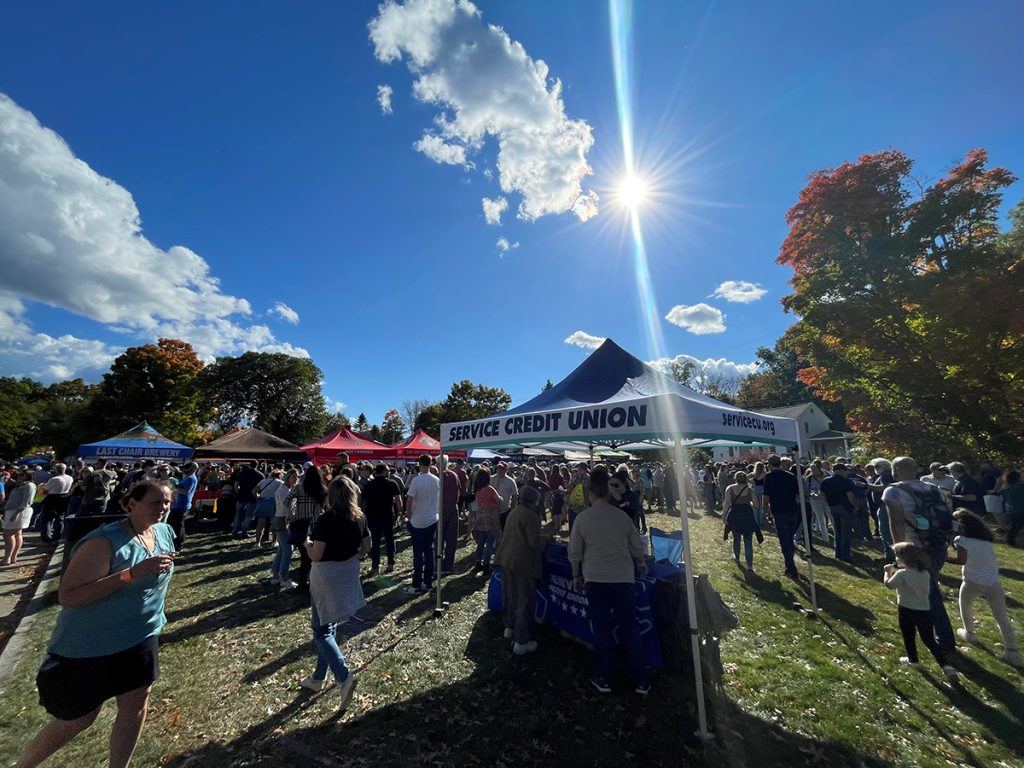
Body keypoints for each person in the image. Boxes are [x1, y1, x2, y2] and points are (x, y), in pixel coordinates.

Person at [16, 480, 176, 768]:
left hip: (141, 636)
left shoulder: (164, 532)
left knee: (135, 705)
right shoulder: (104, 542)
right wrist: (129, 574)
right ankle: (24, 765)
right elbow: (69, 596)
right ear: (131, 504)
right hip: (91, 644)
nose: (163, 508)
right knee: (78, 718)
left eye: (166, 502)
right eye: (155, 502)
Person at [568, 465, 650, 696]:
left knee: (602, 631)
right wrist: (641, 562)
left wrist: (576, 575)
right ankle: (641, 679)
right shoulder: (621, 517)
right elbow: (636, 545)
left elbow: (575, 551)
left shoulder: (583, 519)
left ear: (591, 494)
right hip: (623, 578)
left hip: (595, 579)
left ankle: (603, 676)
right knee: (630, 629)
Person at [300, 475, 368, 710]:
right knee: (329, 625)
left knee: (320, 631)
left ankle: (343, 675)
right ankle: (318, 678)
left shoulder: (326, 520)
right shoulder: (359, 518)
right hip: (347, 572)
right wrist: (355, 555)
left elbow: (316, 555)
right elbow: (366, 547)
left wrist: (307, 544)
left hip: (326, 576)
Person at [881, 456, 955, 654]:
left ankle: (944, 641)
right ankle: (935, 633)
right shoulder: (932, 488)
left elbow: (896, 523)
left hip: (914, 547)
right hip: (936, 545)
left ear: (895, 471)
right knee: (929, 585)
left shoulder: (893, 490)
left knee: (929, 592)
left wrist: (897, 550)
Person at [947, 510, 1020, 665]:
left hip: (972, 581)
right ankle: (1012, 652)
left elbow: (961, 560)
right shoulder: (985, 540)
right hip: (993, 581)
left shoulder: (962, 540)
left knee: (965, 606)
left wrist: (944, 557)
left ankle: (970, 633)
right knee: (1001, 617)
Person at [884, 542, 957, 681]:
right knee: (929, 639)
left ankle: (913, 660)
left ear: (903, 559)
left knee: (908, 635)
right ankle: (946, 666)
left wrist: (887, 572)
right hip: (924, 610)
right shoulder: (925, 573)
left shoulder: (902, 574)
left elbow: (889, 585)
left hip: (906, 610)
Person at [494, 485, 545, 654]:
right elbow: (534, 543)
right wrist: (546, 538)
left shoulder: (514, 511)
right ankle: (522, 641)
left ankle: (509, 627)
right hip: (522, 563)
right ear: (534, 501)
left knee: (510, 595)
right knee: (524, 600)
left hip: (506, 558)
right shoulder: (530, 516)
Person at [286, 465, 328, 592]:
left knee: (304, 557)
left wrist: (291, 515)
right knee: (316, 557)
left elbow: (286, 500)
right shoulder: (323, 489)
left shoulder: (300, 487)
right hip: (317, 526)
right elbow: (327, 507)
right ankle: (314, 583)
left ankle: (303, 583)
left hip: (301, 525)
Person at [404, 454, 439, 595]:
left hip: (418, 521)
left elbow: (410, 501)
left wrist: (409, 516)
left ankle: (416, 584)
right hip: (432, 519)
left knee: (418, 553)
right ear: (430, 464)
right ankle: (428, 582)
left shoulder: (416, 480)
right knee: (429, 550)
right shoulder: (437, 480)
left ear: (419, 463)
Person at [762, 455, 801, 579]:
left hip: (779, 510)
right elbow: (797, 493)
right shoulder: (790, 476)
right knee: (788, 537)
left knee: (785, 540)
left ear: (769, 464)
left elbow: (766, 495)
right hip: (793, 509)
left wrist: (765, 508)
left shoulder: (768, 477)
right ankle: (790, 563)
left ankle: (790, 567)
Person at [361, 464, 402, 575]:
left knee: (375, 541)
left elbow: (364, 503)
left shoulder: (368, 485)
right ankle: (391, 563)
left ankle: (375, 566)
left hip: (373, 516)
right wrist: (399, 513)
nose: (389, 472)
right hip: (388, 515)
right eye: (387, 470)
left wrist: (364, 515)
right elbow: (398, 500)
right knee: (389, 539)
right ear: (384, 471)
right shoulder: (391, 483)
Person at [820, 463, 859, 563]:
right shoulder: (846, 481)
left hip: (832, 506)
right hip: (845, 507)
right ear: (842, 471)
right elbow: (850, 495)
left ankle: (838, 552)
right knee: (846, 531)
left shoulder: (826, 480)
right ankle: (845, 554)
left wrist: (828, 504)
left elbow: (822, 494)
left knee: (837, 530)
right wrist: (855, 505)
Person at [722, 471, 759, 570]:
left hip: (735, 515)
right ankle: (750, 565)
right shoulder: (750, 490)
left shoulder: (730, 488)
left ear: (735, 478)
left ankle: (736, 557)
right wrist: (748, 503)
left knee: (736, 538)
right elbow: (756, 504)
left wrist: (723, 515)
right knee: (748, 540)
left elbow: (727, 503)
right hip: (747, 515)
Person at [471, 467, 502, 574]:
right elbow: (498, 500)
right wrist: (501, 498)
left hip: (480, 517)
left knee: (481, 542)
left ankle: (478, 562)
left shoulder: (477, 490)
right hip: (490, 517)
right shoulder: (490, 489)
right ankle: (486, 564)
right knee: (490, 542)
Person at [270, 470, 298, 586]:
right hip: (282, 519)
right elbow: (285, 505)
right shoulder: (284, 490)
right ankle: (284, 577)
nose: (295, 479)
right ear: (288, 477)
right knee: (288, 549)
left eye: (296, 477)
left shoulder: (286, 489)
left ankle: (276, 573)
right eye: (293, 477)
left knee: (282, 548)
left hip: (279, 518)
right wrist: (291, 516)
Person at [4, 470, 36, 565]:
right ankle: (12, 557)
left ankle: (8, 557)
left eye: (23, 475)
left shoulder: (29, 485)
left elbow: (27, 501)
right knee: (17, 534)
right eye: (20, 474)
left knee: (8, 534)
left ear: (28, 476)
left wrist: (16, 513)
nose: (20, 476)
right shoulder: (20, 485)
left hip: (19, 511)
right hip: (12, 510)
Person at [167, 462, 197, 550]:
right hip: (179, 505)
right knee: (179, 525)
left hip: (182, 505)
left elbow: (186, 492)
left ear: (193, 468)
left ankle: (178, 544)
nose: (184, 469)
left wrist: (174, 487)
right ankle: (180, 542)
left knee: (177, 525)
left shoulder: (190, 479)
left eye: (187, 467)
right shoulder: (188, 478)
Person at [231, 463, 265, 538]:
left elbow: (236, 483)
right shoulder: (260, 475)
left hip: (241, 497)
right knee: (248, 516)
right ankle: (244, 532)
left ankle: (234, 532)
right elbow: (261, 487)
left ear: (250, 465)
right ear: (257, 466)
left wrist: (237, 492)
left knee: (238, 516)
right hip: (252, 498)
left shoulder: (242, 473)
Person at [440, 459, 461, 575]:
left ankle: (438, 563)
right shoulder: (454, 475)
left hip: (441, 508)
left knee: (439, 538)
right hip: (453, 507)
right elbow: (461, 490)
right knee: (451, 538)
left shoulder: (438, 476)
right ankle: (448, 564)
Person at [491, 462, 518, 530]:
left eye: (502, 468)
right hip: (492, 509)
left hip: (504, 510)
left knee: (504, 529)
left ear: (506, 469)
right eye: (498, 468)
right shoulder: (491, 478)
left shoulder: (510, 481)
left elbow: (514, 495)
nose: (499, 470)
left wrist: (512, 509)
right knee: (493, 530)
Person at [1001, 470, 1024, 547]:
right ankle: (1010, 541)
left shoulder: (1005, 487)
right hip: (1019, 509)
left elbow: (1003, 499)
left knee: (1013, 526)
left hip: (1009, 509)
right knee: (1017, 526)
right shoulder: (1019, 487)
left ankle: (1010, 540)